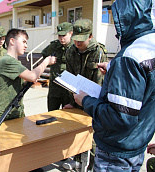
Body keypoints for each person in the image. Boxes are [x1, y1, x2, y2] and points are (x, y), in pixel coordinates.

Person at [73, 0, 155, 171]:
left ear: (126, 17)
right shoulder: (149, 45)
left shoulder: (129, 58)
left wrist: (85, 100)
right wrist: (113, 69)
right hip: (137, 141)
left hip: (116, 150)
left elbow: (120, 118)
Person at [62, 19, 108, 171]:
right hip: (77, 99)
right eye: (75, 38)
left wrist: (92, 105)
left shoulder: (98, 52)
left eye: (81, 39)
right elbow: (69, 78)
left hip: (94, 102)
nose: (77, 42)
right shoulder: (70, 51)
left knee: (93, 137)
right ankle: (77, 160)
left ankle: (93, 166)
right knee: (75, 131)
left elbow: (100, 83)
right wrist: (72, 102)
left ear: (90, 36)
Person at [0, 28, 56, 123]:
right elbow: (32, 76)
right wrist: (46, 61)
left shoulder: (14, 62)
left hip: (14, 111)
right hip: (2, 114)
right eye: (23, 42)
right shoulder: (7, 60)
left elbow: (18, 83)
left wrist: (27, 81)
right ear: (12, 41)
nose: (26, 46)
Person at [41, 22, 73, 111]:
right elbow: (44, 54)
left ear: (71, 33)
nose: (61, 38)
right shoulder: (53, 46)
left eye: (64, 35)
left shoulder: (75, 47)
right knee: (51, 114)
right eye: (59, 36)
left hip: (68, 90)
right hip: (54, 89)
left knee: (67, 116)